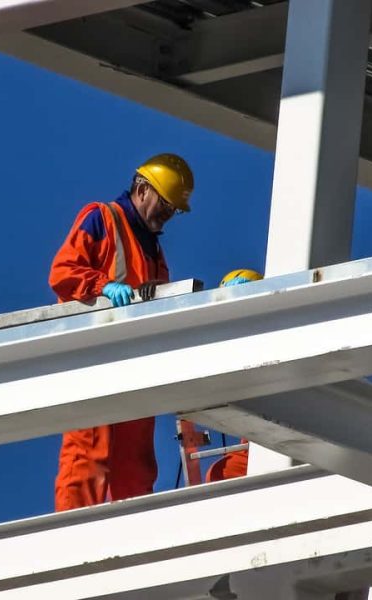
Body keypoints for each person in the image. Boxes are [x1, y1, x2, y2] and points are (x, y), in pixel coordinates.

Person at [49, 153, 194, 511]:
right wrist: (102, 287)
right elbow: (63, 272)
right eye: (165, 205)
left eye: (173, 210)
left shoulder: (154, 250)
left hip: (133, 366)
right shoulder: (102, 218)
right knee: (87, 455)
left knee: (136, 467)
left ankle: (132, 540)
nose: (168, 216)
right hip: (93, 360)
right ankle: (70, 539)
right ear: (143, 190)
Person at [204, 268, 263, 483]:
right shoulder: (230, 350)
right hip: (256, 443)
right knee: (221, 474)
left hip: (298, 440)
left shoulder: (274, 339)